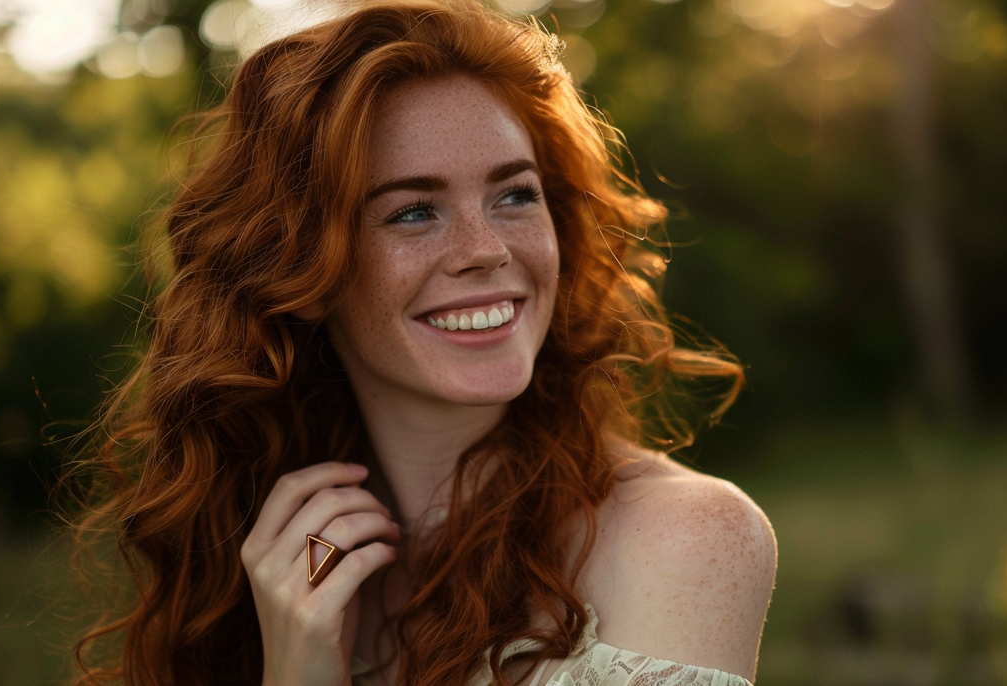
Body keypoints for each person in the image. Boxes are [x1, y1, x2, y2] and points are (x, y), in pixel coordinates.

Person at [62, 1, 776, 685]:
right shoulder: (270, 560)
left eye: (515, 194)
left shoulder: (686, 539)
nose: (485, 249)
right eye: (411, 211)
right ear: (302, 266)